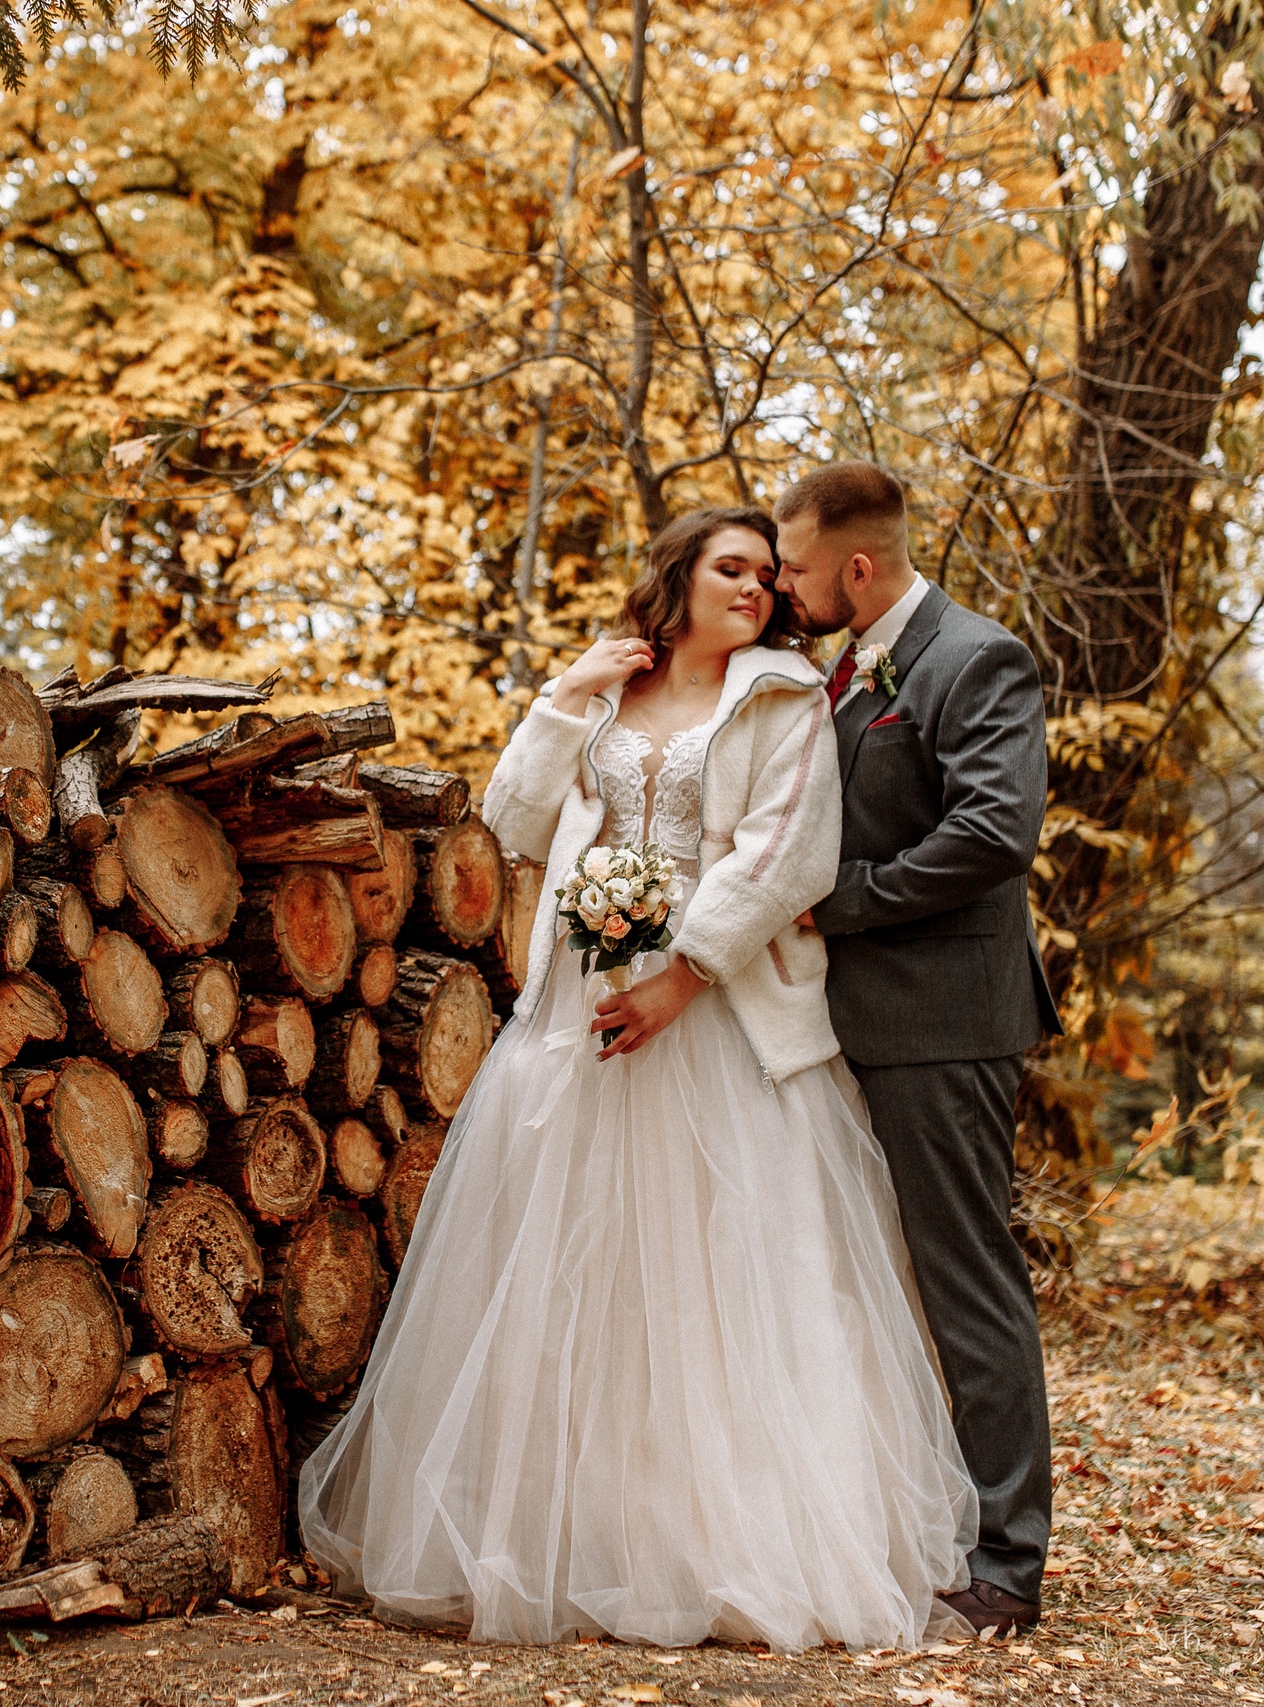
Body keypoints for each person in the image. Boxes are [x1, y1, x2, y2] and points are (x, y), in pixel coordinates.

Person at [296, 505, 978, 1650]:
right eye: (730, 567)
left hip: (713, 1005)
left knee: (714, 1263)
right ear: (679, 575)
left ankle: (718, 1544)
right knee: (577, 1257)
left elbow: (787, 855)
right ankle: (578, 1535)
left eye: (765, 574)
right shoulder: (607, 687)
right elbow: (514, 821)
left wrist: (683, 976)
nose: (754, 588)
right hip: (580, 991)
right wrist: (564, 697)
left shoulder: (782, 698)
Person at [768, 461, 1063, 1635]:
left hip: (943, 1024)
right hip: (848, 1023)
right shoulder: (840, 667)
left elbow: (994, 830)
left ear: (855, 565)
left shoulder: (973, 659)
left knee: (963, 1283)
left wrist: (839, 900)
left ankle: (1006, 1566)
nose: (782, 588)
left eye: (794, 568)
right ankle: (904, 1525)